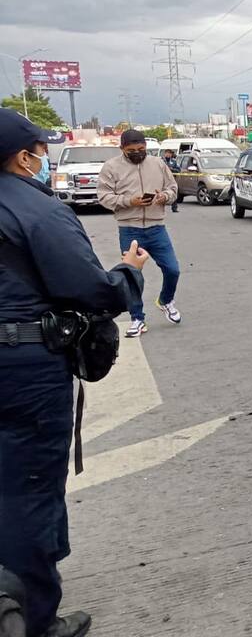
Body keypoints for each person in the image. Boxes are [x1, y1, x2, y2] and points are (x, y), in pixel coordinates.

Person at [0, 108, 150, 637]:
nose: (44, 160)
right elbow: (90, 290)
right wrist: (127, 274)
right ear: (23, 157)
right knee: (29, 490)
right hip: (22, 368)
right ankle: (34, 621)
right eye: (41, 152)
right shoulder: (33, 209)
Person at [97, 129, 182, 338]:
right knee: (132, 277)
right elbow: (104, 196)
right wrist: (129, 201)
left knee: (172, 269)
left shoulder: (158, 164)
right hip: (129, 228)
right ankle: (137, 319)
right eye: (132, 150)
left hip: (156, 227)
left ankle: (165, 300)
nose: (137, 153)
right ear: (122, 149)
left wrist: (165, 196)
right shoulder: (111, 167)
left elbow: (173, 188)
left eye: (141, 149)